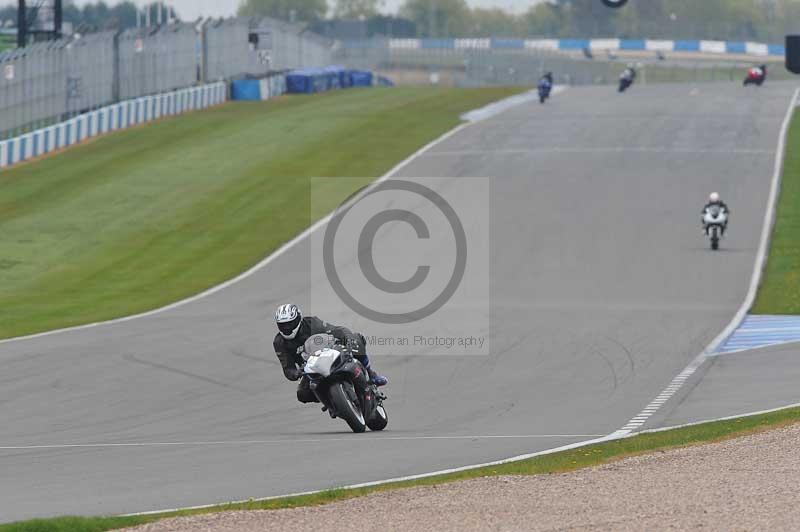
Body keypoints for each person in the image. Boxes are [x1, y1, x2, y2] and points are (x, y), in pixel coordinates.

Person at [273, 304, 388, 405]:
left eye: (289, 324)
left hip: (330, 354)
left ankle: (371, 374)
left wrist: (347, 339)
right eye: (282, 325)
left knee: (356, 340)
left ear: (298, 319)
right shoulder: (279, 343)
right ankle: (331, 400)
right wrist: (296, 373)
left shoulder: (311, 323)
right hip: (311, 368)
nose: (286, 328)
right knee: (302, 394)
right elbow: (288, 368)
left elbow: (336, 330)